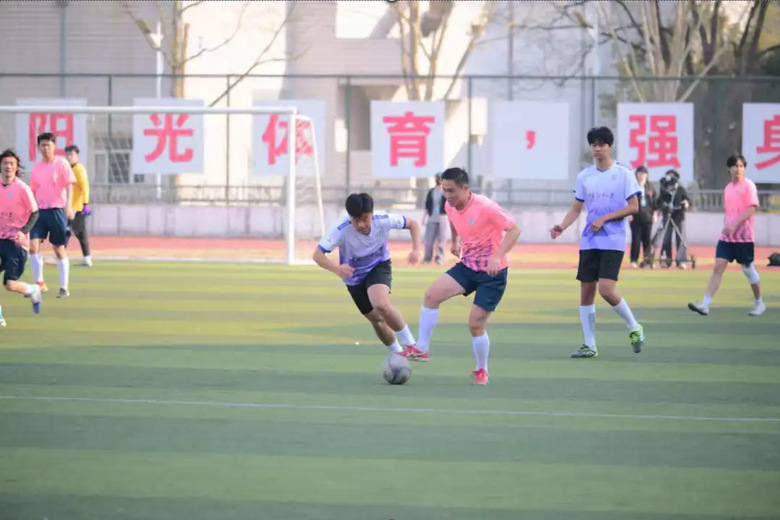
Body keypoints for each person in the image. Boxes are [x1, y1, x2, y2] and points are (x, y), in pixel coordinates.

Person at [399, 167, 521, 386]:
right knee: (431, 296)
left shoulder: (486, 207)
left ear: (465, 188)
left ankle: (481, 369)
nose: (447, 195)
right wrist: (455, 242)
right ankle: (422, 348)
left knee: (475, 324)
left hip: (492, 273)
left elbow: (514, 230)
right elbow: (453, 219)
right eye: (444, 190)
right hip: (467, 266)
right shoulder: (450, 204)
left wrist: (497, 256)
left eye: (451, 190)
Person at [549, 126, 645, 359]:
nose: (597, 149)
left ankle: (634, 326)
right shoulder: (585, 176)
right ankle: (589, 345)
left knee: (606, 289)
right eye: (594, 144)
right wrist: (562, 226)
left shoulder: (623, 174)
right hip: (589, 241)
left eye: (601, 144)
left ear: (609, 146)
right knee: (586, 292)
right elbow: (576, 208)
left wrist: (605, 218)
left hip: (613, 239)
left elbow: (634, 207)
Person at [313, 193, 422, 354]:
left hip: (378, 266)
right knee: (377, 320)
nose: (361, 224)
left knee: (381, 304)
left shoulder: (382, 219)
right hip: (353, 277)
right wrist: (337, 269)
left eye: (365, 218)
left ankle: (413, 346)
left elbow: (413, 224)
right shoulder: (341, 229)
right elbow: (317, 255)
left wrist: (416, 250)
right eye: (356, 220)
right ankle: (399, 354)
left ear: (371, 213)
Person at [688, 154, 765, 317]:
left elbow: (752, 208)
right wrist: (727, 226)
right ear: (729, 169)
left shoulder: (749, 186)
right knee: (718, 267)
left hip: (744, 236)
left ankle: (759, 302)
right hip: (727, 237)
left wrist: (735, 225)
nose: (739, 169)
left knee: (748, 270)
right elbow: (729, 212)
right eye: (736, 166)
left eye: (741, 166)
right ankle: (705, 304)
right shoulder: (728, 188)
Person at [29, 132, 76, 298]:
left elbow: (69, 185)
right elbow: (33, 190)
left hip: (57, 210)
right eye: (42, 145)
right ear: (38, 147)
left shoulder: (62, 164)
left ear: (54, 146)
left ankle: (64, 287)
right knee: (33, 246)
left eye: (48, 145)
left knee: (58, 248)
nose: (45, 148)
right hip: (40, 212)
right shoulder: (36, 167)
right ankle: (39, 283)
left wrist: (69, 207)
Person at [0, 149, 43, 326]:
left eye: (12, 164)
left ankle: (33, 290)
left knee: (10, 285)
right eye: (5, 163)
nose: (8, 167)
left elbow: (35, 213)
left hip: (15, 243)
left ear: (17, 167)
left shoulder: (22, 188)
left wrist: (23, 231)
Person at [656, 169, 691, 269]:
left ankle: (681, 261)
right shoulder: (664, 189)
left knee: (681, 238)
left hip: (679, 216)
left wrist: (686, 204)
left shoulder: (681, 189)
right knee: (666, 238)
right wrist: (662, 206)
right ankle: (666, 260)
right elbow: (659, 202)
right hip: (667, 216)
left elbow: (687, 200)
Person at [64, 145, 92, 267]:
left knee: (76, 231)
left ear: (77, 156)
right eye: (67, 154)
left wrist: (85, 203)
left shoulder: (79, 169)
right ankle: (61, 255)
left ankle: (86, 258)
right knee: (68, 230)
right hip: (68, 206)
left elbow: (84, 186)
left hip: (77, 207)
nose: (69, 157)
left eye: (72, 154)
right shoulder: (68, 169)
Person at [628, 165, 657, 268]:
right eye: (640, 174)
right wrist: (629, 213)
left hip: (648, 217)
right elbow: (628, 200)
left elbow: (654, 202)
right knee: (636, 239)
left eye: (644, 174)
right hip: (636, 216)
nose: (642, 176)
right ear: (636, 174)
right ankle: (634, 260)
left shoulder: (650, 187)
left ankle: (648, 260)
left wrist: (655, 213)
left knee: (647, 240)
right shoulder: (632, 186)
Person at [422, 173, 447, 264]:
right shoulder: (431, 191)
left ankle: (439, 258)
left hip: (442, 217)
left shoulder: (445, 191)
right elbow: (427, 205)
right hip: (432, 217)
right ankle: (427, 258)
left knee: (441, 240)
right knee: (429, 240)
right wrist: (424, 218)